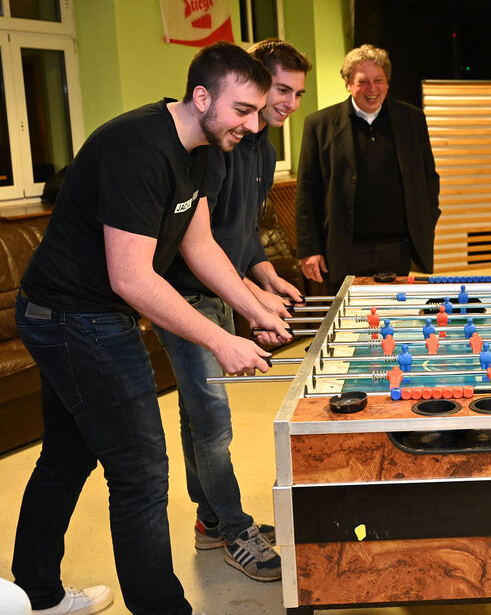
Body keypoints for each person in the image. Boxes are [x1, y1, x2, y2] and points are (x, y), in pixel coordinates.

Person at [13, 42, 291, 615]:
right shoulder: (139, 148)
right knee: (140, 472)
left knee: (66, 457)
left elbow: (199, 244)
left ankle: (36, 595)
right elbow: (132, 277)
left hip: (82, 312)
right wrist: (220, 339)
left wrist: (256, 306)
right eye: (242, 109)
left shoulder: (201, 148)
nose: (252, 124)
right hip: (74, 317)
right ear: (201, 97)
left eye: (256, 111)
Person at [152, 39, 311, 582]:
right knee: (214, 421)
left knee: (198, 415)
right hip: (186, 296)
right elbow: (198, 244)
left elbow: (241, 229)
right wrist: (254, 300)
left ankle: (210, 520)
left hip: (222, 292)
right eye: (281, 90)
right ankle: (234, 529)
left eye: (297, 94)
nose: (288, 103)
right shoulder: (216, 147)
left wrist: (264, 274)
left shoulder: (261, 149)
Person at [295, 44, 440, 291]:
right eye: (363, 82)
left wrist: (427, 220)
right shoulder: (319, 125)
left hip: (398, 250)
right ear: (348, 83)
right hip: (344, 250)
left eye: (378, 80)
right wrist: (309, 249)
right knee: (347, 315)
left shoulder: (413, 120)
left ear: (387, 83)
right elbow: (307, 192)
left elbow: (429, 178)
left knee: (395, 313)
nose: (372, 89)